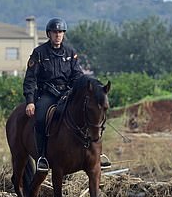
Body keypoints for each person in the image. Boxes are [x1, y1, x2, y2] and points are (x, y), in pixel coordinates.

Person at [23, 18, 111, 172]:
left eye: (61, 32)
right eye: (55, 32)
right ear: (49, 34)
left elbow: (78, 75)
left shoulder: (70, 52)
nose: (58, 35)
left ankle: (97, 154)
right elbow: (30, 79)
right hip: (47, 94)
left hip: (67, 93)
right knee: (41, 118)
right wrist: (30, 101)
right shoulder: (39, 53)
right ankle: (42, 156)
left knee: (88, 115)